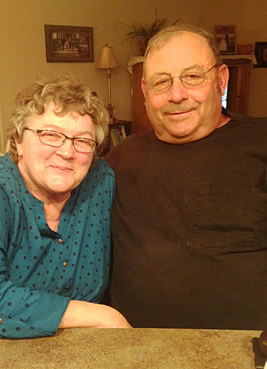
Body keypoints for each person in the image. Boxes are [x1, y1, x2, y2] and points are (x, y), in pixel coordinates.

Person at [105, 25, 267, 329]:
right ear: (145, 92)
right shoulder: (120, 159)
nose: (177, 95)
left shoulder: (260, 143)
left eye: (192, 77)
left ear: (220, 80)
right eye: (161, 82)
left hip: (248, 356)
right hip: (135, 352)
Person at [0, 73, 131, 338]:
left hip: (89, 350)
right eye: (50, 135)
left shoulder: (100, 182)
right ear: (18, 141)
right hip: (4, 357)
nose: (67, 152)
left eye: (83, 141)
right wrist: (101, 315)